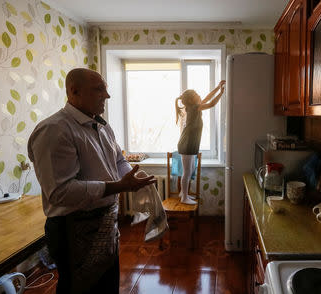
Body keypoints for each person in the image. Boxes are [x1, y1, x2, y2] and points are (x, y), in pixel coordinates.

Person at [27, 68, 156, 294]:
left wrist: (133, 177)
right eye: (99, 89)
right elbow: (59, 192)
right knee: (80, 288)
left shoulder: (102, 126)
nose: (107, 96)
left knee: (107, 285)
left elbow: (117, 161)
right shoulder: (54, 130)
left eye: (106, 89)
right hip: (73, 229)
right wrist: (118, 186)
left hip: (105, 224)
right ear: (74, 91)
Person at [175, 80, 225, 205]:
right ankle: (184, 197)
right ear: (192, 100)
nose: (199, 96)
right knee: (187, 172)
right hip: (187, 144)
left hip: (190, 143)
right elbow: (212, 103)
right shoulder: (194, 108)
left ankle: (183, 193)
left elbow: (208, 97)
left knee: (190, 169)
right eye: (197, 95)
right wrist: (221, 93)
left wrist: (218, 87)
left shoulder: (194, 107)